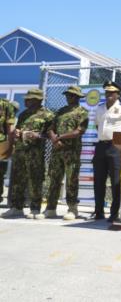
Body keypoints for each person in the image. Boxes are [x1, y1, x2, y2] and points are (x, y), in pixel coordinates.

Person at [1, 90, 54, 219]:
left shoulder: (48, 115)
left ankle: (35, 209)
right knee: (17, 180)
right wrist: (17, 133)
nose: (25, 101)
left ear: (37, 100)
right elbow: (17, 130)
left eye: (29, 99)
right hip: (20, 152)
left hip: (35, 154)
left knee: (35, 180)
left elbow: (51, 134)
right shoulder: (24, 114)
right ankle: (16, 208)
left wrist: (38, 135)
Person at [92, 81, 121, 222]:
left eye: (111, 93)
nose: (108, 95)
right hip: (100, 147)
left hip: (115, 148)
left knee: (116, 181)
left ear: (118, 95)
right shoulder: (99, 108)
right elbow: (98, 125)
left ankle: (114, 213)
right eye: (106, 93)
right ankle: (98, 211)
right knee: (99, 181)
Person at [44, 86, 89, 220]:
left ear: (77, 97)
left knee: (71, 180)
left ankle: (72, 208)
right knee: (54, 179)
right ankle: (50, 208)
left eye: (72, 95)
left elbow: (78, 131)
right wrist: (54, 139)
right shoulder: (60, 112)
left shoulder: (82, 112)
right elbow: (50, 129)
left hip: (72, 152)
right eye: (68, 95)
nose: (69, 97)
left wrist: (60, 137)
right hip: (57, 150)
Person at [0, 97, 17, 206]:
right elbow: (10, 130)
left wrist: (10, 146)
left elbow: (10, 130)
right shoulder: (5, 105)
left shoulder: (5, 105)